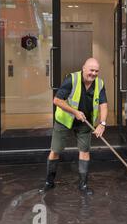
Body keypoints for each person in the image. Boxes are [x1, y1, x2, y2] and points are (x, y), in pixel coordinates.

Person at [40, 58, 108, 195]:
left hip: (85, 122)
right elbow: (57, 100)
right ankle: (49, 182)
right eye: (91, 70)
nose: (94, 73)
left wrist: (102, 123)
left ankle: (83, 185)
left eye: (96, 71)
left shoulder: (99, 83)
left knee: (85, 151)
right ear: (84, 68)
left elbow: (103, 104)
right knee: (55, 150)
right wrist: (75, 112)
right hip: (65, 120)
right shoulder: (72, 79)